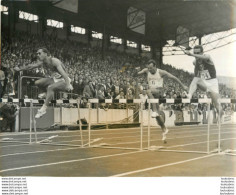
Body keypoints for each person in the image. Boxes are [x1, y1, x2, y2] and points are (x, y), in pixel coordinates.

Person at [136, 59, 188, 142]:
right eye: (148, 68)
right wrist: (137, 71)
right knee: (157, 116)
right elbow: (136, 75)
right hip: (152, 95)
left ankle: (155, 111)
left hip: (159, 92)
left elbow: (174, 77)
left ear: (155, 66)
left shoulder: (161, 72)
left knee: (148, 91)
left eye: (151, 68)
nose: (150, 70)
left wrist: (183, 86)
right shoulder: (146, 71)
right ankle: (164, 128)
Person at [14, 48, 73, 118]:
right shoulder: (43, 62)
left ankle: (43, 109)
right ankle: (46, 93)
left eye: (39, 53)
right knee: (37, 82)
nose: (38, 55)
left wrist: (68, 84)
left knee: (50, 87)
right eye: (37, 53)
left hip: (64, 80)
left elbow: (64, 74)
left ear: (45, 54)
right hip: (55, 79)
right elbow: (31, 66)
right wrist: (20, 69)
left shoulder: (54, 61)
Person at [184, 45, 222, 120]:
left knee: (217, 105)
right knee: (196, 79)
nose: (196, 55)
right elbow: (197, 74)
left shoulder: (207, 57)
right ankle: (189, 95)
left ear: (202, 52)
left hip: (212, 83)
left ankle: (220, 117)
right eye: (195, 52)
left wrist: (191, 54)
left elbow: (206, 57)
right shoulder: (195, 62)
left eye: (198, 53)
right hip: (204, 82)